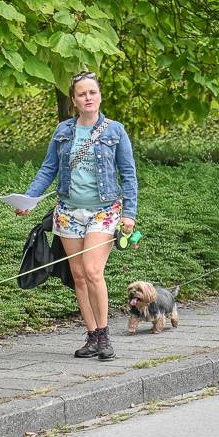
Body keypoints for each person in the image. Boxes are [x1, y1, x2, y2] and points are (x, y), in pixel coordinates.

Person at [22, 72, 137, 360]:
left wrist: (129, 213)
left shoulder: (115, 130)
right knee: (78, 276)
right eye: (82, 94)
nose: (88, 98)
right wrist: (30, 198)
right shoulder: (63, 131)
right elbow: (48, 169)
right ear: (73, 100)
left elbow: (129, 173)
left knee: (93, 270)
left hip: (104, 210)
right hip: (68, 213)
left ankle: (106, 334)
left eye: (92, 93)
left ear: (99, 96)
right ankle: (93, 336)